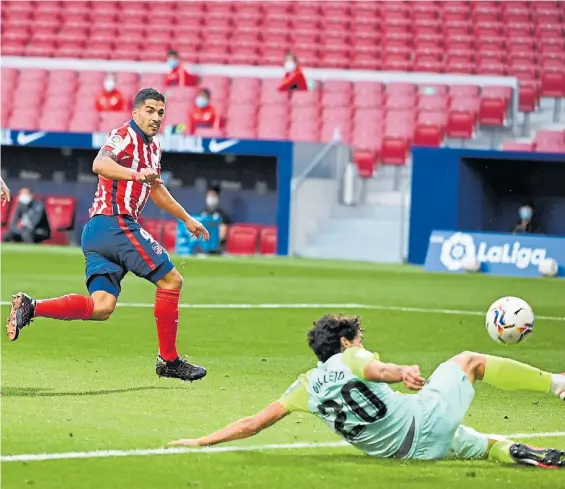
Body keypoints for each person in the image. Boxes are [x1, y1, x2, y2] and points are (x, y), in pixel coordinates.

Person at [169, 314, 565, 468]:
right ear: (344, 343)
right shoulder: (352, 358)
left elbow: (253, 424)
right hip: (423, 420)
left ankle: (514, 452)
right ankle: (557, 383)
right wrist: (401, 372)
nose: (361, 339)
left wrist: (202, 440)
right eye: (357, 335)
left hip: (407, 453)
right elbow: (376, 369)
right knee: (471, 361)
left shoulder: (305, 386)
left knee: (483, 443)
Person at [6, 88, 211, 383]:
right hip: (113, 223)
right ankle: (168, 360)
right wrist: (134, 175)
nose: (155, 118)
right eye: (150, 110)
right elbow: (99, 164)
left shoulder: (153, 149)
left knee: (102, 307)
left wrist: (187, 219)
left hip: (99, 233)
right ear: (135, 112)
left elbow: (155, 189)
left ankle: (31, 305)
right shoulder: (124, 135)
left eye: (161, 113)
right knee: (171, 280)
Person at [200, 183, 231, 247]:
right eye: (209, 196)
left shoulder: (222, 214)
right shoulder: (202, 213)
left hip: (216, 246)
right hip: (201, 245)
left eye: (213, 196)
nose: (211, 198)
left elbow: (223, 236)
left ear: (217, 198)